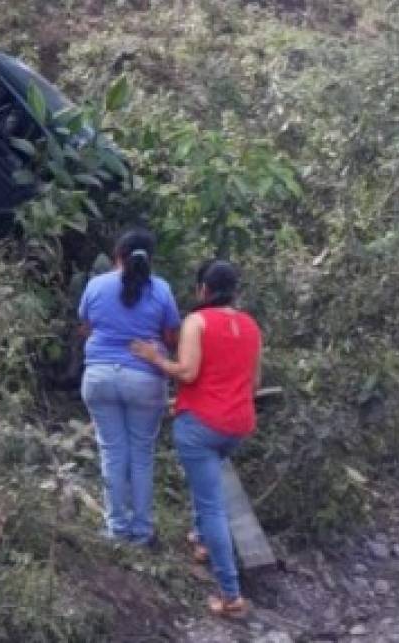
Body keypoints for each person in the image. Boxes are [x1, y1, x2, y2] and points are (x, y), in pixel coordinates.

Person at [132, 260, 262, 619]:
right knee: (209, 489)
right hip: (237, 425)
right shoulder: (250, 325)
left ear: (203, 289)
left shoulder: (197, 321)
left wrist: (154, 357)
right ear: (234, 290)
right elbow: (254, 385)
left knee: (211, 506)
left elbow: (187, 372)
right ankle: (201, 542)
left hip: (201, 425)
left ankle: (230, 595)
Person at [78, 229, 181, 546]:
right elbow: (172, 338)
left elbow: (86, 328)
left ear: (117, 255)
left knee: (111, 452)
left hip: (98, 377)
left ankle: (115, 528)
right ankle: (141, 531)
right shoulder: (161, 289)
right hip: (144, 380)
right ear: (150, 258)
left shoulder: (95, 286)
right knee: (141, 455)